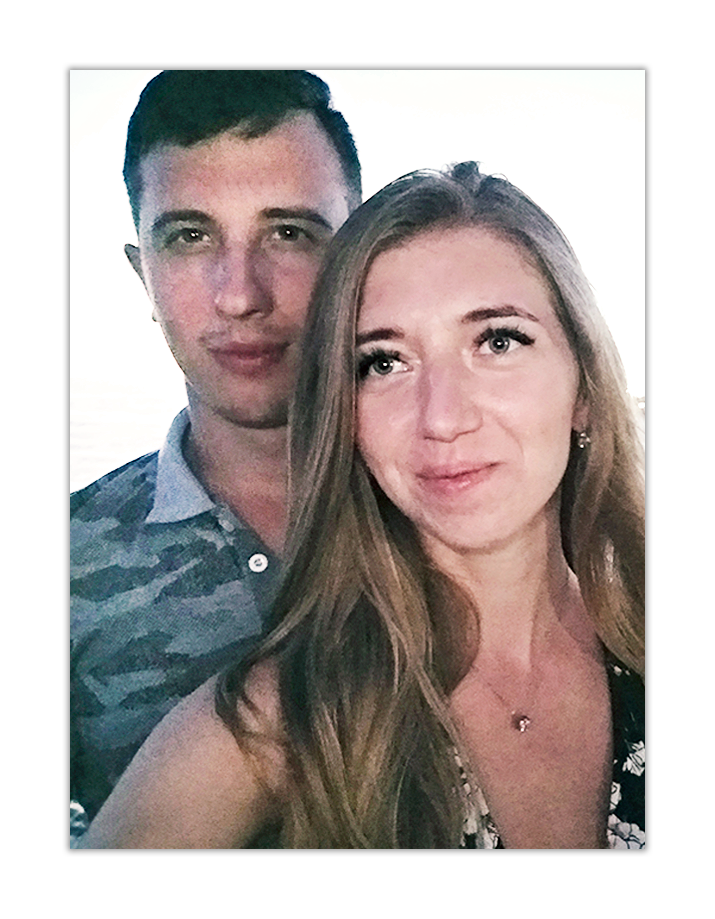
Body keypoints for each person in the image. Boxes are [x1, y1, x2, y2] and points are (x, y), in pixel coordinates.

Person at [78, 162, 644, 849]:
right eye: (382, 362)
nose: (442, 418)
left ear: (584, 387)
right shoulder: (274, 722)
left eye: (498, 341)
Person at [70, 70, 361, 831]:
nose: (240, 295)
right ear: (143, 274)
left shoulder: (474, 516)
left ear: (358, 258)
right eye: (189, 237)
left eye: (289, 233)